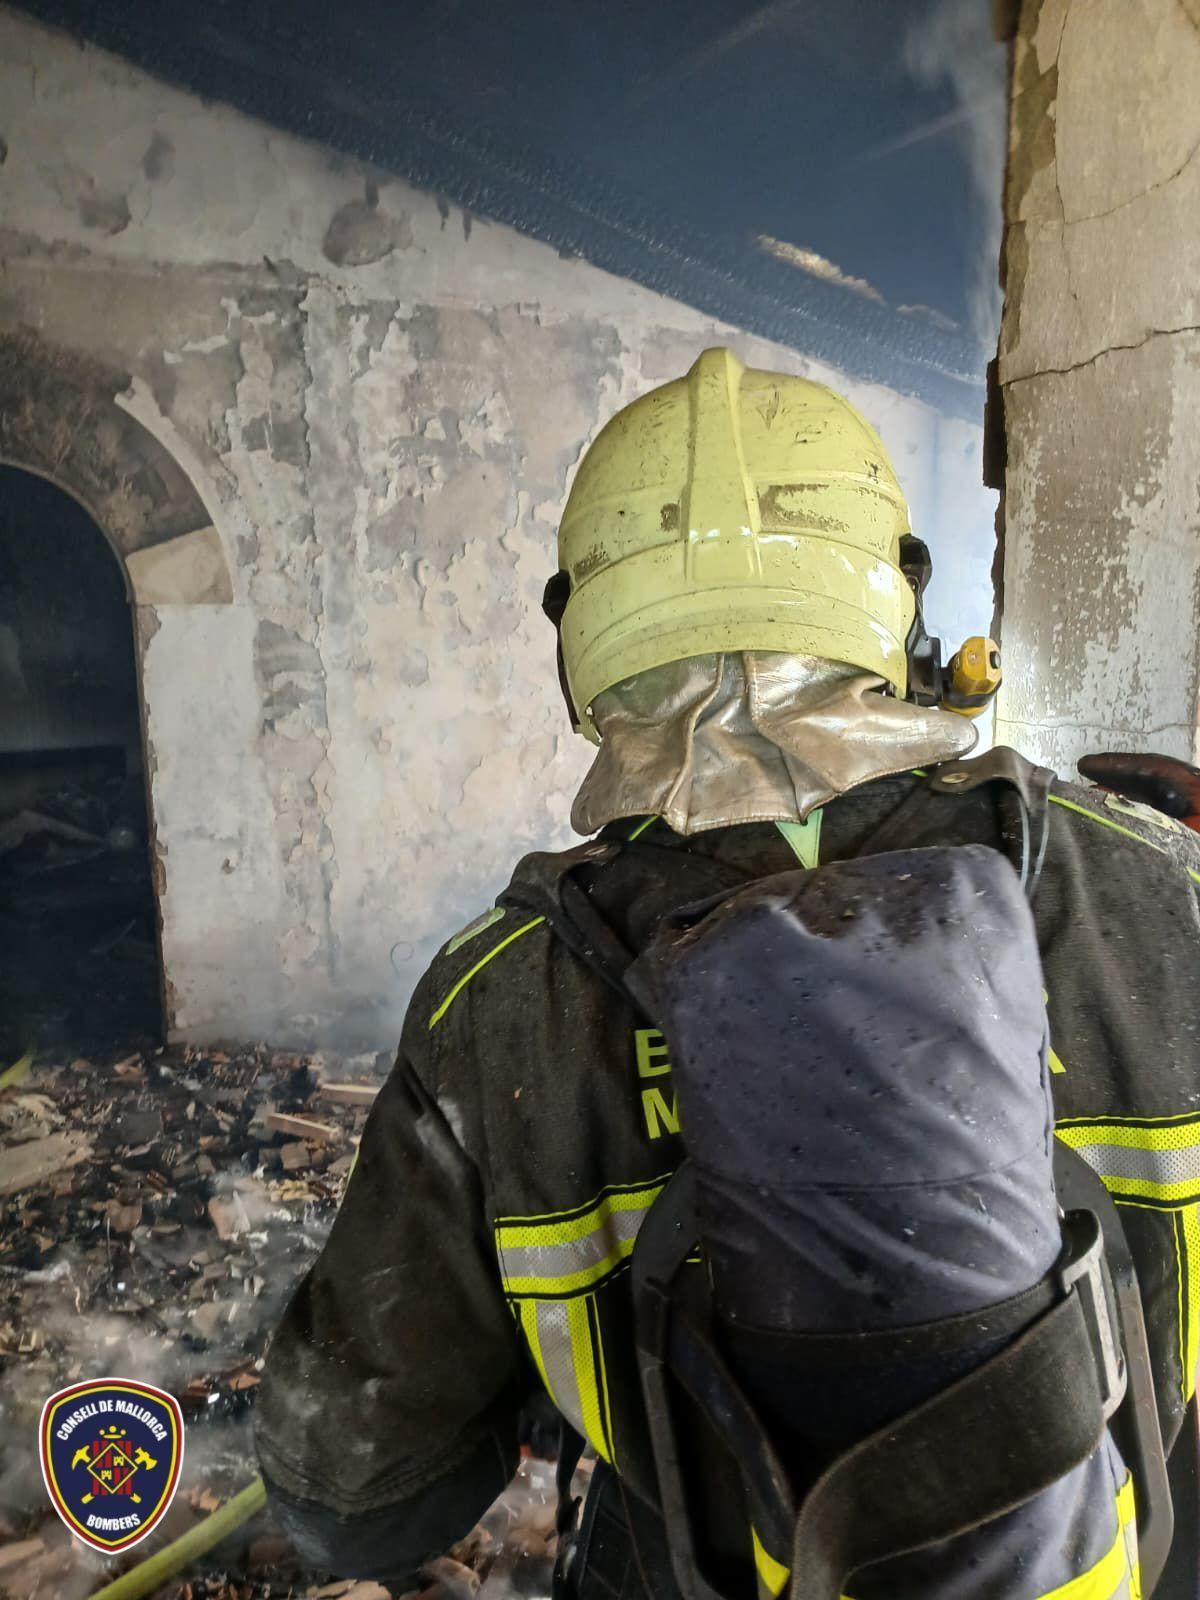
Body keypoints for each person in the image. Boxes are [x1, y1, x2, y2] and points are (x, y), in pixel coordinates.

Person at [256, 349, 1200, 1599]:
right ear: (899, 595)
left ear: (579, 632)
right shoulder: (1157, 888)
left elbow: (351, 1501)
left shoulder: (503, 1000)